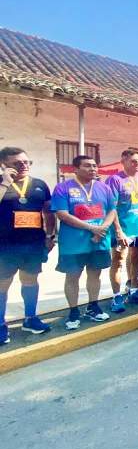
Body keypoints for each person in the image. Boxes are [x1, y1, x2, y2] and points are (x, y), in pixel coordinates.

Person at [51, 155, 116, 330]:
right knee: (73, 276)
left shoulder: (104, 188)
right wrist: (91, 228)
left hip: (99, 240)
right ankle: (73, 311)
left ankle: (93, 306)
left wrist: (102, 228)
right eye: (87, 166)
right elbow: (62, 214)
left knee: (95, 274)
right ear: (76, 169)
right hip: (74, 243)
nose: (93, 169)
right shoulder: (62, 188)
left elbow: (112, 210)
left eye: (95, 166)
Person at [0, 147, 56, 343]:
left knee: (30, 281)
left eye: (26, 162)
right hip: (5, 246)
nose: (23, 166)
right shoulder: (1, 183)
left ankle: (30, 319)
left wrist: (51, 236)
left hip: (33, 244)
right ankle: (0, 324)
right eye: (17, 163)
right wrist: (5, 182)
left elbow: (49, 212)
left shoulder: (39, 185)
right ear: (3, 165)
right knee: (2, 285)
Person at [106, 148, 138, 312]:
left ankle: (134, 290)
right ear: (123, 161)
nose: (137, 164)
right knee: (118, 261)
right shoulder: (114, 180)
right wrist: (118, 231)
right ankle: (116, 296)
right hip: (122, 229)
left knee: (136, 259)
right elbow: (111, 208)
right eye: (134, 161)